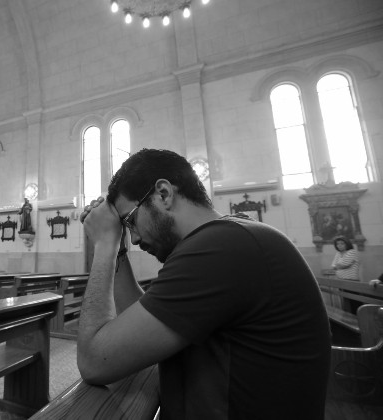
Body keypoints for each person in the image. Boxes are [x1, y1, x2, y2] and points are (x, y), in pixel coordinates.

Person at [78, 149, 331, 419]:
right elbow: (136, 325)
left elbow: (95, 360)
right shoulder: (233, 237)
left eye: (130, 221)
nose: (135, 238)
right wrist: (117, 249)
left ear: (163, 194)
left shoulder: (220, 248)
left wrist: (104, 243)